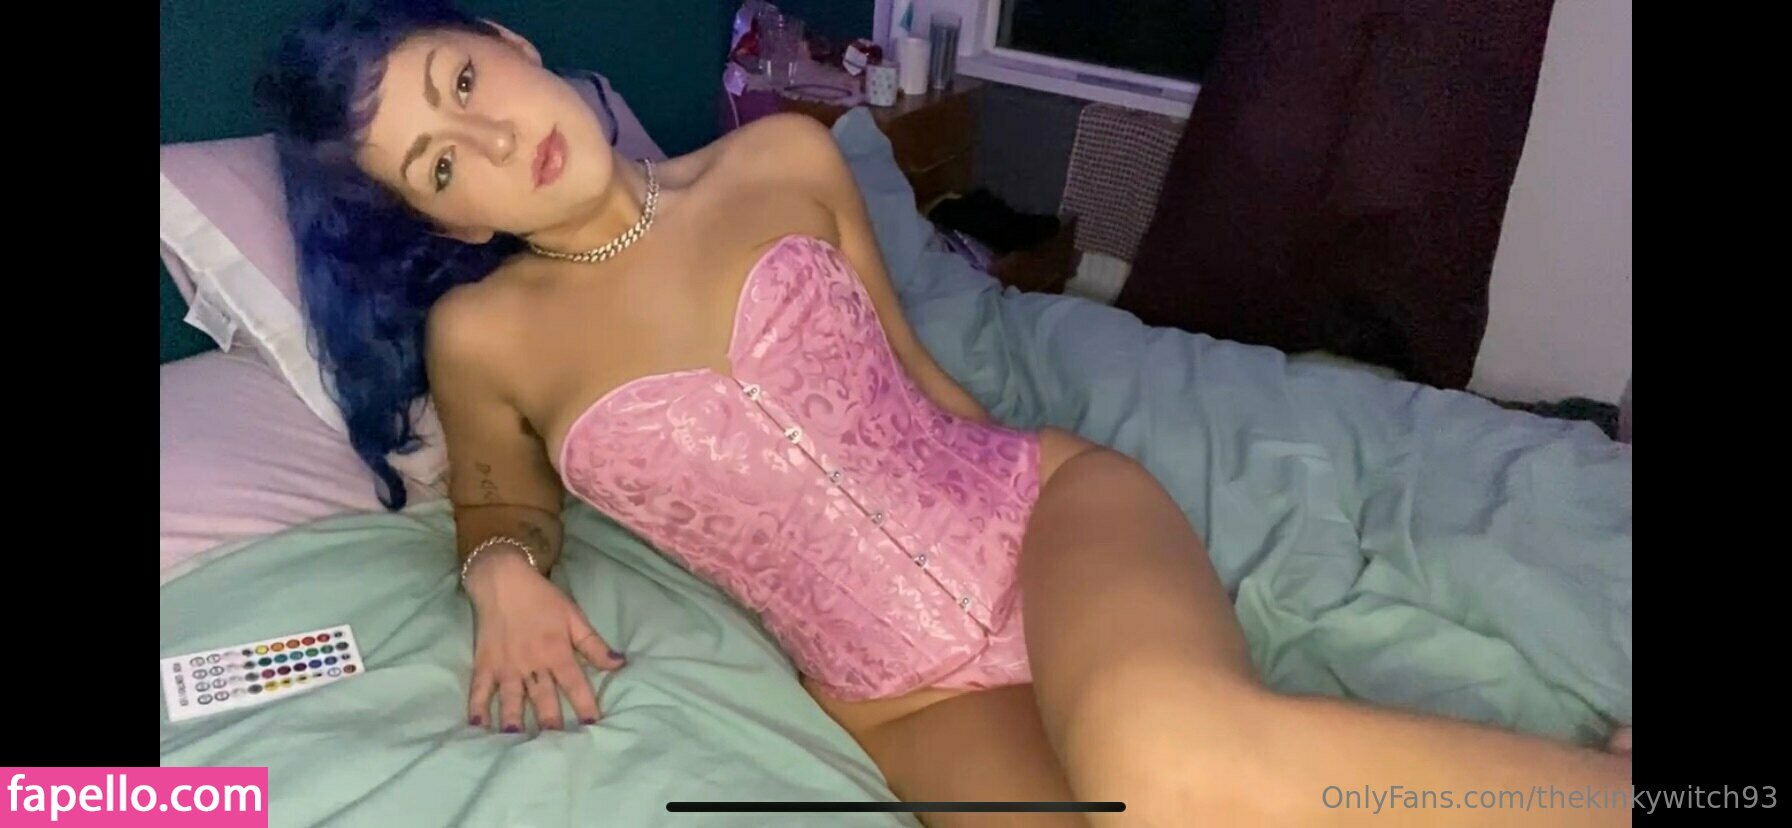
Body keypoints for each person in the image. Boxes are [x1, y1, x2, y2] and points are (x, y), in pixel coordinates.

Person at [259, 2, 1631, 824]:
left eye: (461, 85)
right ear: (446, 220)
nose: (497, 139)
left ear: (506, 43)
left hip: (1043, 517)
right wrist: (501, 570)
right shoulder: (485, 335)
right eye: (443, 165)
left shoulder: (782, 156)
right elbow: (499, 496)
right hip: (898, 697)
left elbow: (918, 374)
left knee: (1170, 775)